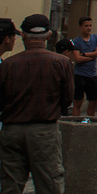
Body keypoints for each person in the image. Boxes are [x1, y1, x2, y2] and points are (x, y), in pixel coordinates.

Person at [0, 14, 73, 194]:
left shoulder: (7, 64)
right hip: (44, 131)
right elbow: (67, 98)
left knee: (10, 186)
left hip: (12, 130)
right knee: (49, 185)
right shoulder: (62, 63)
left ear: (23, 36)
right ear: (49, 35)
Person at [71, 16, 97, 117]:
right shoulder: (76, 41)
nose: (88, 28)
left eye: (90, 26)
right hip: (80, 74)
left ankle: (90, 120)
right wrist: (93, 55)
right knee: (78, 101)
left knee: (94, 101)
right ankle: (76, 121)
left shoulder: (96, 38)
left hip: (92, 74)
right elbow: (77, 59)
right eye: (86, 26)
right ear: (80, 27)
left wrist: (85, 54)